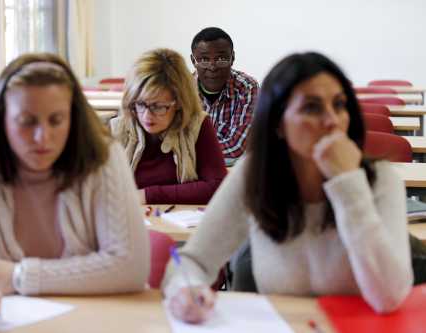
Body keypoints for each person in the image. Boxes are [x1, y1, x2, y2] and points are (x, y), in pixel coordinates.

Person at [163, 52, 413, 323]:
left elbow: (388, 297)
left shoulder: (381, 179)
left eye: (339, 105)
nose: (332, 120)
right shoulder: (254, 175)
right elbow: (194, 261)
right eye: (312, 108)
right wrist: (185, 289)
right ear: (278, 123)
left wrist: (347, 183)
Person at [0, 53, 150, 327]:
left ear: (73, 119)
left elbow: (130, 267)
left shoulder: (102, 159)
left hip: (98, 322)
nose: (42, 137)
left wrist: (17, 276)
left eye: (56, 120)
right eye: (26, 121)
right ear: (1, 120)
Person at [110, 48, 226, 205]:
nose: (146, 116)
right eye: (140, 104)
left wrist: (146, 195)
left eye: (158, 106)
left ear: (178, 102)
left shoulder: (198, 126)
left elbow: (217, 187)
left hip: (180, 225)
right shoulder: (118, 128)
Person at [191, 27, 259, 166]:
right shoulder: (181, 89)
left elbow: (237, 149)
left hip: (230, 175)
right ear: (193, 61)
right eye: (204, 59)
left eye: (221, 58)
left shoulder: (247, 88)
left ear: (232, 58)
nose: (212, 67)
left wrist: (187, 153)